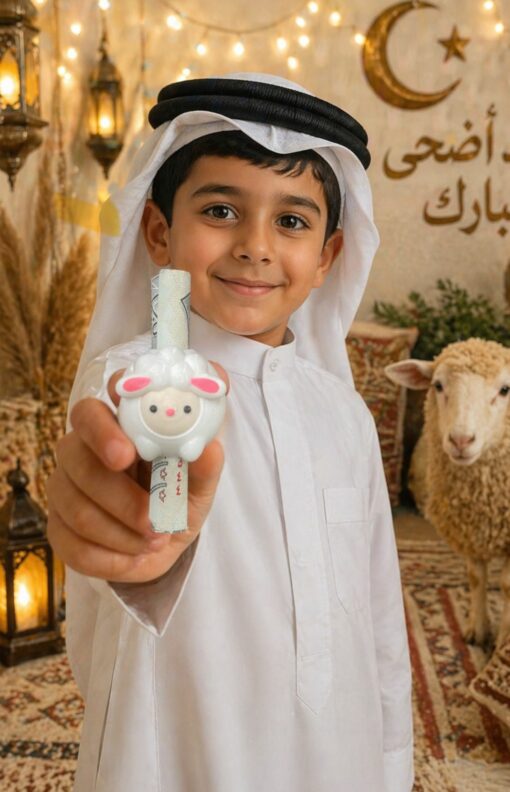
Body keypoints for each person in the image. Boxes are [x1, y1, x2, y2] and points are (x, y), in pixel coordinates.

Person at [47, 73, 414, 791]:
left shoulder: (344, 413)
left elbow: (378, 610)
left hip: (341, 757)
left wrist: (393, 761)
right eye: (221, 210)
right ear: (160, 233)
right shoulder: (138, 384)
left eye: (292, 222)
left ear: (328, 258)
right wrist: (136, 529)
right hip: (181, 751)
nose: (255, 246)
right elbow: (120, 479)